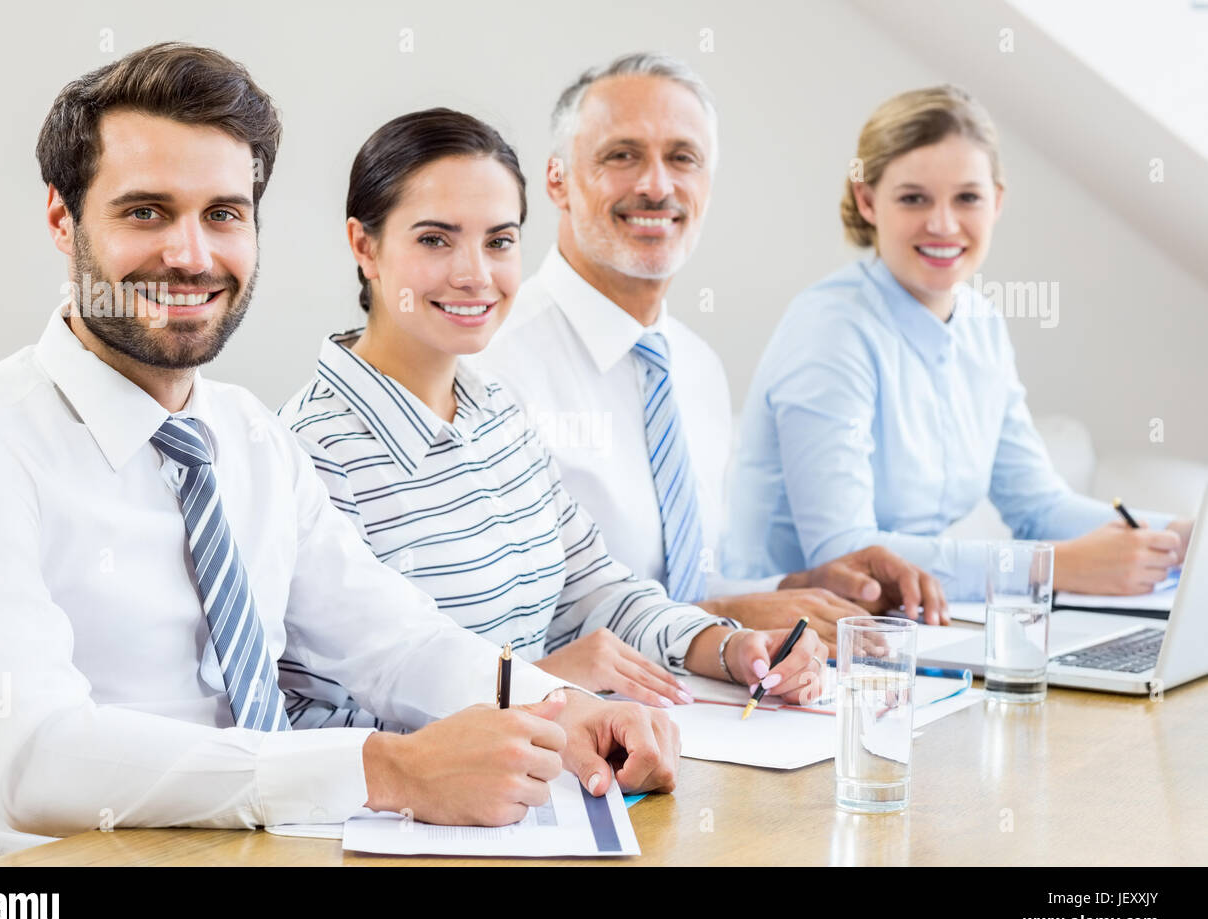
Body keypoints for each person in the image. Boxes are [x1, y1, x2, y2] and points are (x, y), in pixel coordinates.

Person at [0, 43, 678, 863]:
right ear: (63, 219)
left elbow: (393, 640)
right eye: (145, 212)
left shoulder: (248, 438)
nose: (192, 255)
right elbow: (35, 758)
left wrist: (561, 710)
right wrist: (383, 769)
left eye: (223, 214)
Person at [279, 108, 828, 718]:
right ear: (365, 246)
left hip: (556, 784)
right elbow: (304, 718)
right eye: (435, 239)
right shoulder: (309, 454)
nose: (475, 275)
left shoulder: (497, 415)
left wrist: (727, 648)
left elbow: (592, 590)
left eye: (499, 241)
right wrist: (536, 689)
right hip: (437, 810)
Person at [479, 53, 948, 632]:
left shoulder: (696, 367)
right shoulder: (491, 364)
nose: (657, 185)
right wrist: (718, 618)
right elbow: (500, 632)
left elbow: (684, 584)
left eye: (683, 158)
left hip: (709, 702)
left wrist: (798, 588)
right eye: (622, 155)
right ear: (558, 180)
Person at [725, 84, 1194, 601]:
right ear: (868, 200)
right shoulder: (831, 329)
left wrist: (1181, 540)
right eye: (913, 198)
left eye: (967, 197)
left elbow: (1036, 506)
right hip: (786, 641)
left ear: (997, 202)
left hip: (908, 629)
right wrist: (1051, 568)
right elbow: (844, 555)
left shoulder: (982, 325)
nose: (943, 223)